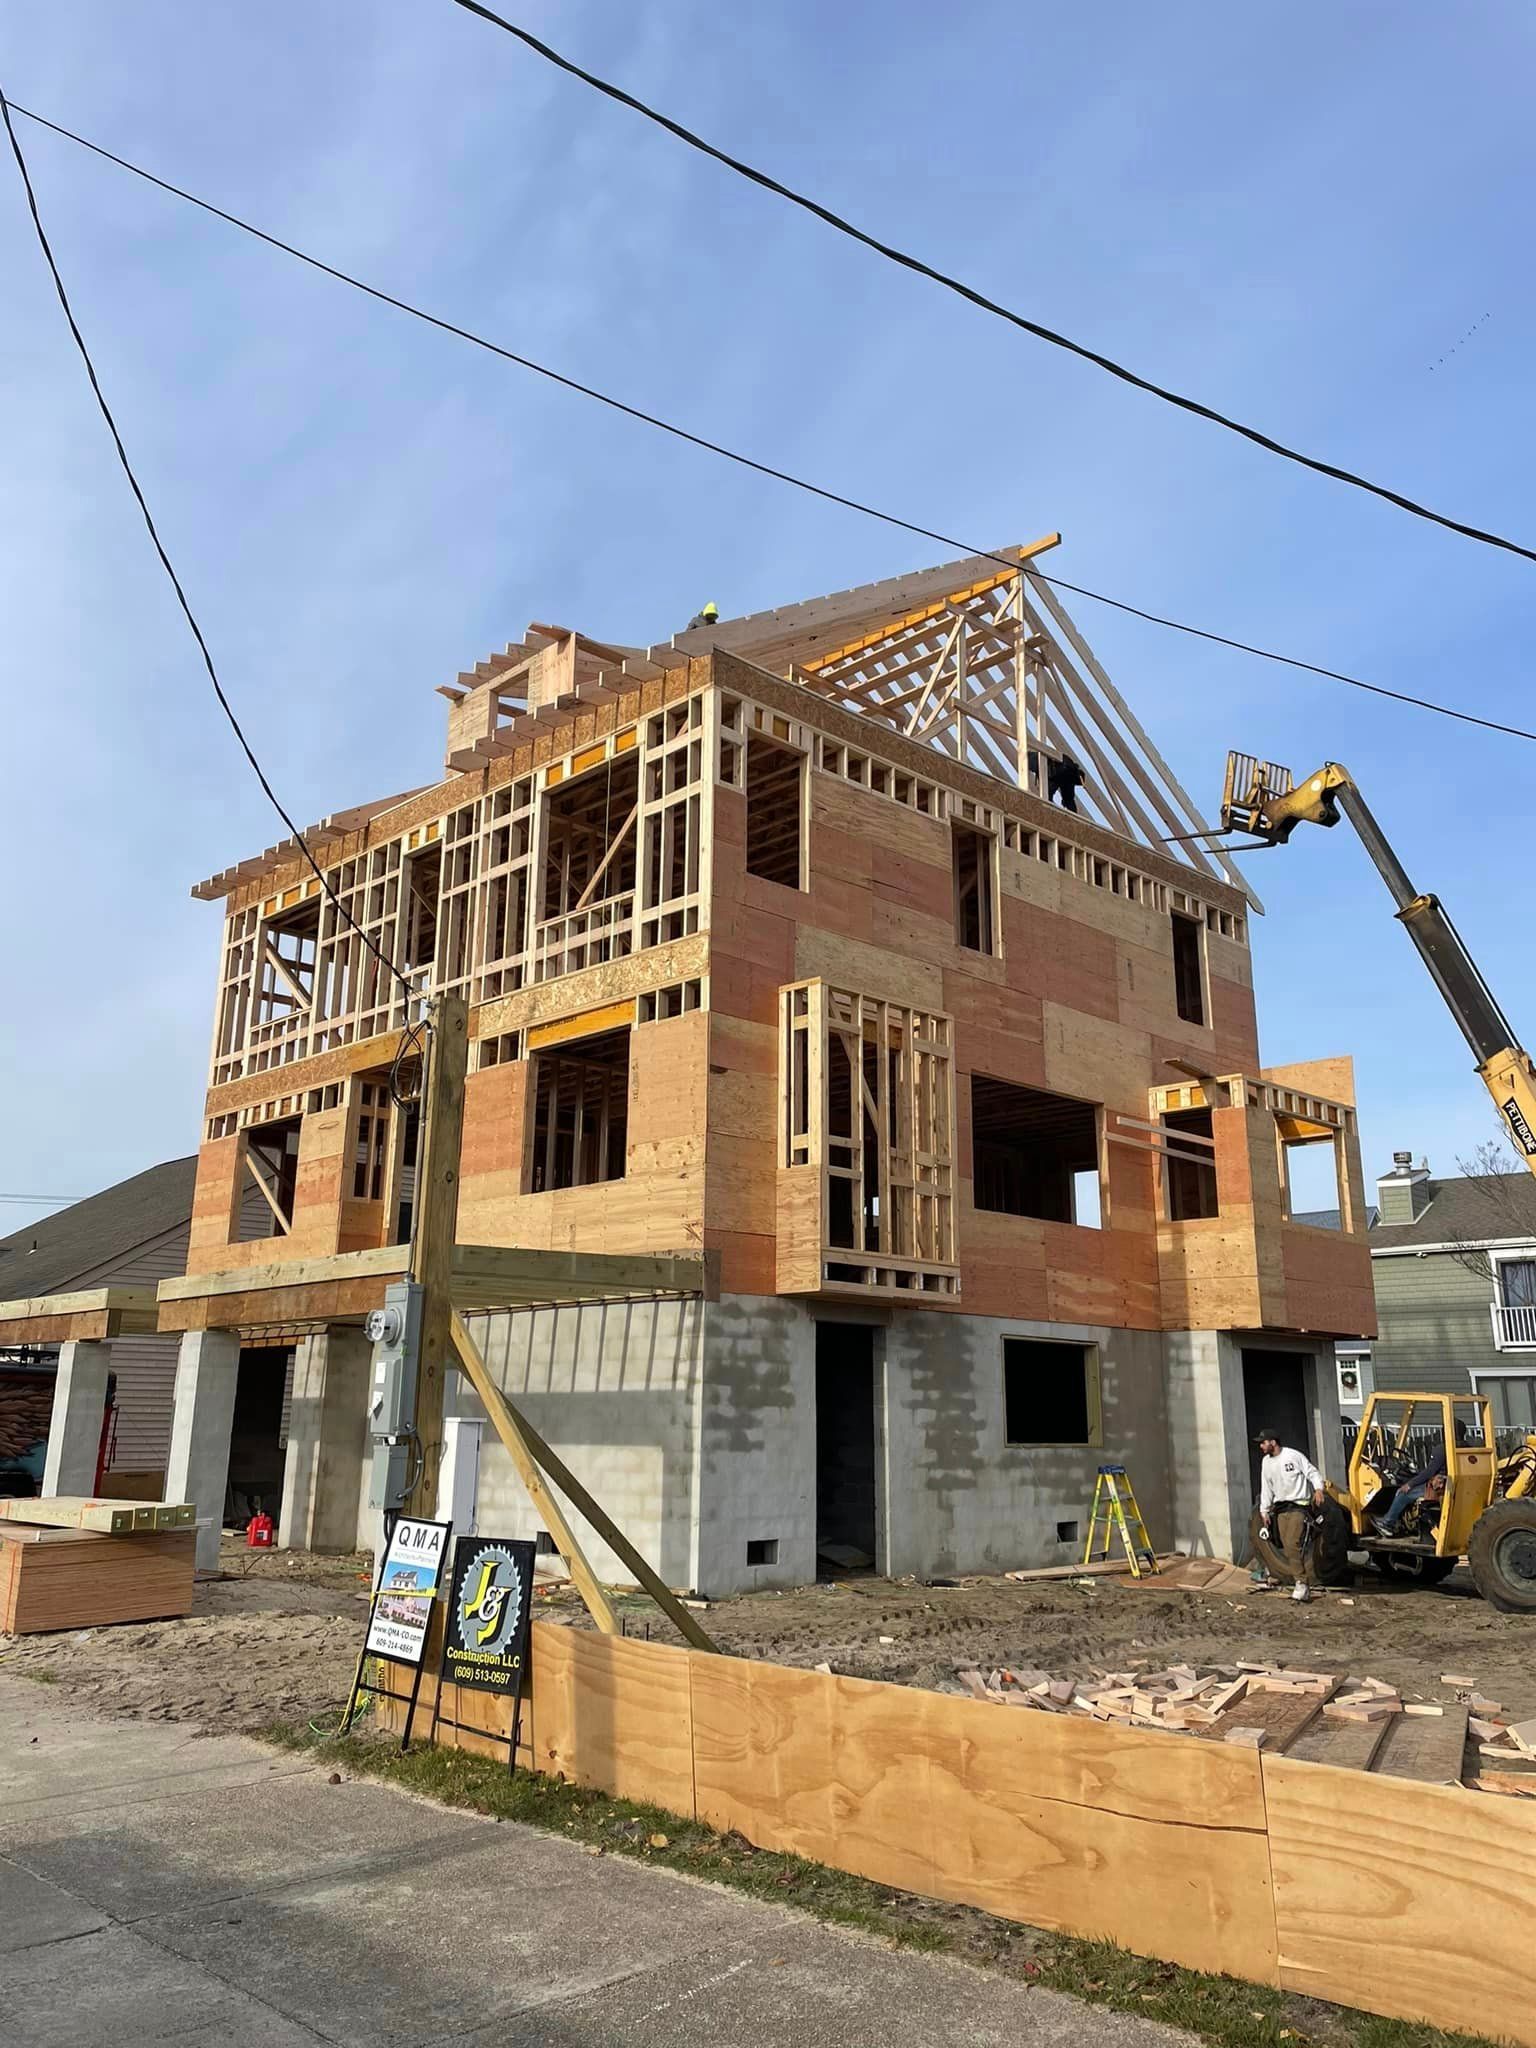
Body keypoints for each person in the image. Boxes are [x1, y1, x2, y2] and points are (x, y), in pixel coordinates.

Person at [1255, 1429, 1327, 1602]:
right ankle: (1302, 1584)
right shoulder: (1266, 1462)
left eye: (1263, 1442)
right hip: (1281, 1508)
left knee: (1292, 1543)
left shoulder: (1293, 1456)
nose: (1261, 1446)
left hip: (1298, 1506)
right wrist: (1264, 1511)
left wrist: (1318, 1489)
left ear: (1273, 1442)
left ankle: (1301, 1584)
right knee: (1285, 1546)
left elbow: (1312, 1472)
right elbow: (1266, 1487)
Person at [1375, 1443, 1447, 1535]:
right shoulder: (1465, 1447)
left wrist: (1409, 1484)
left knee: (1402, 1493)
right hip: (1447, 1485)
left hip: (1437, 1489)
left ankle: (1388, 1523)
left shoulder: (1442, 1450)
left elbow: (1429, 1472)